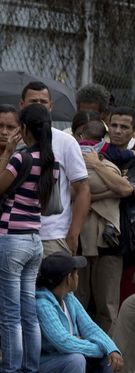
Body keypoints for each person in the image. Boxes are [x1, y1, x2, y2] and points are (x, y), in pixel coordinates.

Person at [0, 104, 57, 373]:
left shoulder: (21, 158)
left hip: (12, 241)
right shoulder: (50, 161)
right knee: (28, 316)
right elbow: (47, 205)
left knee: (10, 318)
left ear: (25, 128)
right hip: (35, 239)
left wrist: (7, 151)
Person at [36, 254, 124, 373]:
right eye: (76, 273)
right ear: (68, 278)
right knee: (75, 358)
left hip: (70, 370)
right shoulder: (42, 303)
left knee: (108, 359)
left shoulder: (69, 299)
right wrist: (100, 349)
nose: (78, 277)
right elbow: (64, 343)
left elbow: (91, 328)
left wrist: (111, 349)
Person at [73, 119, 131, 332]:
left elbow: (125, 190)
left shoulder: (113, 163)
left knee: (107, 304)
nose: (87, 145)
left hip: (110, 243)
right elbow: (71, 194)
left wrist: (97, 165)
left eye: (124, 127)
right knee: (79, 300)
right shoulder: (74, 163)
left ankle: (107, 357)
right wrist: (108, 193)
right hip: (79, 239)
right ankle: (81, 354)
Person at [20, 81, 90, 257]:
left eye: (43, 102)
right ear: (22, 105)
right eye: (32, 101)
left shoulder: (66, 142)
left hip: (53, 237)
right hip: (15, 235)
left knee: (53, 286)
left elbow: (83, 190)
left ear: (51, 106)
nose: (38, 106)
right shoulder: (14, 142)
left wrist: (73, 234)